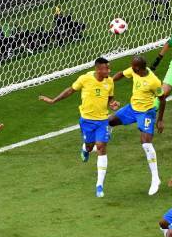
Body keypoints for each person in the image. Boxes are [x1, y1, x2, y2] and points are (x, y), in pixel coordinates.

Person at [39, 57, 120, 197]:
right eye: (107, 68)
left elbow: (109, 98)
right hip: (87, 121)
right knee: (89, 146)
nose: (109, 70)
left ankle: (99, 185)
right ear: (98, 69)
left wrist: (112, 104)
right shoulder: (85, 79)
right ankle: (85, 149)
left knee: (101, 147)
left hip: (102, 121)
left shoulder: (110, 81)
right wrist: (53, 100)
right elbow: (70, 90)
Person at [110, 56, 166, 195]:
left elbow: (162, 99)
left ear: (138, 68)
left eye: (133, 66)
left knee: (146, 143)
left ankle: (155, 178)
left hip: (146, 113)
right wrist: (108, 82)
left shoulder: (154, 81)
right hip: (132, 109)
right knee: (109, 121)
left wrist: (160, 120)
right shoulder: (133, 71)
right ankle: (103, 139)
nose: (131, 68)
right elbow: (120, 74)